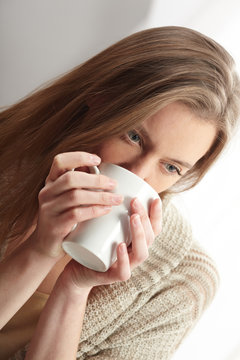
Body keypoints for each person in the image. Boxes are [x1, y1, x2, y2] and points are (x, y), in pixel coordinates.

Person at [0, 26, 239, 360]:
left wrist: (75, 288)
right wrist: (39, 252)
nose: (137, 175)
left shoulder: (182, 283)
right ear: (100, 99)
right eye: (134, 136)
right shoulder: (7, 153)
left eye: (170, 167)